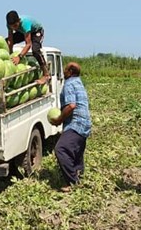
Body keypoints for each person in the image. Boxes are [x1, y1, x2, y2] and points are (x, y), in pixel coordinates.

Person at [49, 62, 91, 192]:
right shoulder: (79, 82)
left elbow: (71, 105)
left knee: (61, 149)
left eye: (65, 69)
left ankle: (72, 181)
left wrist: (59, 119)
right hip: (85, 123)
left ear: (71, 71)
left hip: (76, 122)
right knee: (76, 150)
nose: (63, 72)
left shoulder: (69, 84)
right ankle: (78, 172)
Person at [6, 10, 51, 85]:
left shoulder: (25, 23)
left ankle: (46, 75)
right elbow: (10, 40)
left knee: (35, 50)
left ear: (19, 21)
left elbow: (28, 44)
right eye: (12, 27)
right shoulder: (9, 25)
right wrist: (10, 54)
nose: (14, 29)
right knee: (6, 41)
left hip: (36, 32)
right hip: (22, 32)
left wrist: (19, 57)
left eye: (15, 26)